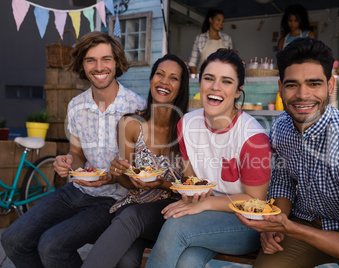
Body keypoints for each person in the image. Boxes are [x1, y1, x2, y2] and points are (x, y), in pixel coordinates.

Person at [236, 37, 339, 268]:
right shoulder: (281, 127)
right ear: (280, 88)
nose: (302, 95)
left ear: (330, 86)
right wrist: (275, 223)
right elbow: (283, 182)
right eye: (292, 85)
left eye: (314, 84)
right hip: (307, 222)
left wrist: (289, 227)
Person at [1, 31, 146, 268]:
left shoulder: (137, 107)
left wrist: (115, 175)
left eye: (106, 59)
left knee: (52, 246)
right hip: (77, 190)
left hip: (114, 199)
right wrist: (67, 162)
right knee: (12, 238)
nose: (99, 67)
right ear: (82, 65)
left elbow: (143, 169)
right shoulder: (76, 105)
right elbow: (77, 154)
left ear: (117, 62)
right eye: (91, 60)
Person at [145, 48, 272, 268]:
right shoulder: (186, 125)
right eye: (209, 78)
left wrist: (206, 204)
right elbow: (192, 182)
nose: (215, 87)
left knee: (176, 227)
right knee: (187, 262)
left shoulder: (253, 138)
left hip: (247, 223)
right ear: (200, 83)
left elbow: (256, 203)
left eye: (226, 81)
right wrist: (192, 197)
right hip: (206, 216)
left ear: (238, 91)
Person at [82, 53, 189, 268]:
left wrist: (162, 184)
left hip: (173, 214)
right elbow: (129, 184)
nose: (164, 81)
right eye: (159, 74)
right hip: (137, 211)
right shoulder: (130, 124)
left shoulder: (188, 128)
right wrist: (121, 172)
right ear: (151, 80)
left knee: (131, 216)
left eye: (173, 78)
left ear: (181, 87)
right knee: (126, 260)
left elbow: (193, 185)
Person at [188, 8, 233, 75]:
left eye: (222, 21)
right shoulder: (200, 39)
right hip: (204, 76)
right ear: (210, 20)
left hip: (223, 75)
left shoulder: (227, 39)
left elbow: (231, 61)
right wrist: (196, 78)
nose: (221, 23)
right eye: (218, 20)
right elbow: (192, 63)